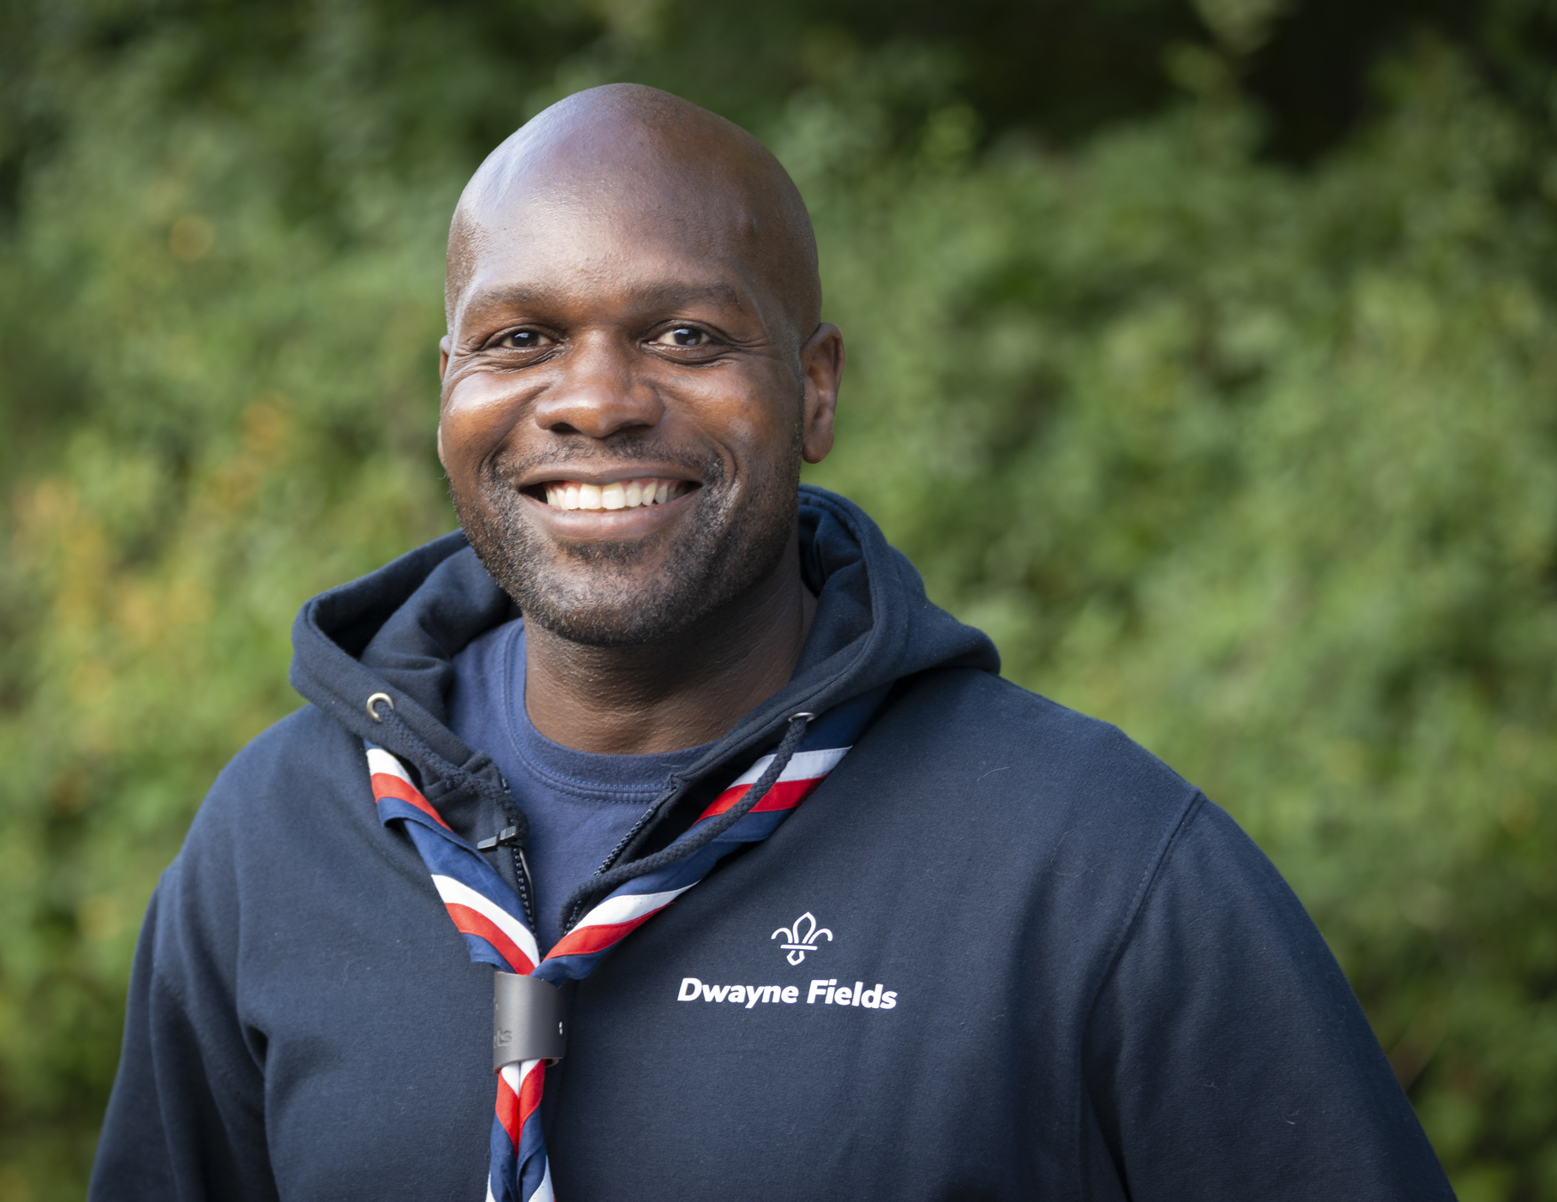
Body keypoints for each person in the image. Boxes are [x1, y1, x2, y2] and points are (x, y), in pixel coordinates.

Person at [89, 84, 1454, 1201]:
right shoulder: (275, 841)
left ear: (812, 388)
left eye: (686, 334)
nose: (596, 401)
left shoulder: (1099, 871)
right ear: (449, 386)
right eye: (521, 337)